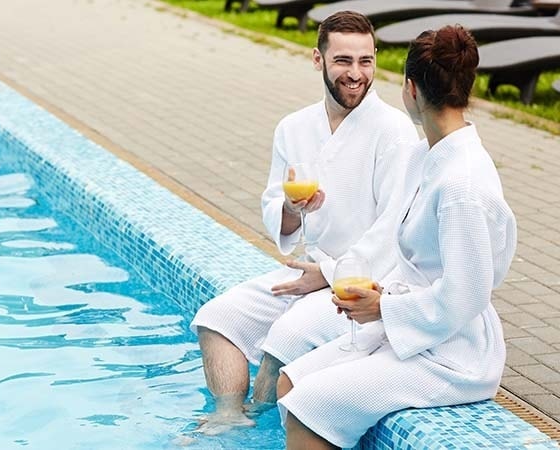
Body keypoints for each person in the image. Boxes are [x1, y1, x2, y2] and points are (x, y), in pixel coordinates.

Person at [275, 25, 517, 449]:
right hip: (416, 326)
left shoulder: (461, 184)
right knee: (290, 382)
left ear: (411, 89)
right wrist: (378, 294)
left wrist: (384, 307)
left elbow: (466, 296)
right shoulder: (426, 155)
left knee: (307, 405)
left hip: (454, 354)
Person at [190, 11, 419, 433]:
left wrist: (330, 275)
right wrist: (293, 210)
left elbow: (394, 229)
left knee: (286, 336)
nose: (356, 74)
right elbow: (276, 211)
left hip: (362, 281)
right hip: (308, 269)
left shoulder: (394, 131)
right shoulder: (293, 127)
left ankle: (256, 427)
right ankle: (228, 419)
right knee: (217, 318)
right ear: (318, 60)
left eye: (365, 61)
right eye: (343, 61)